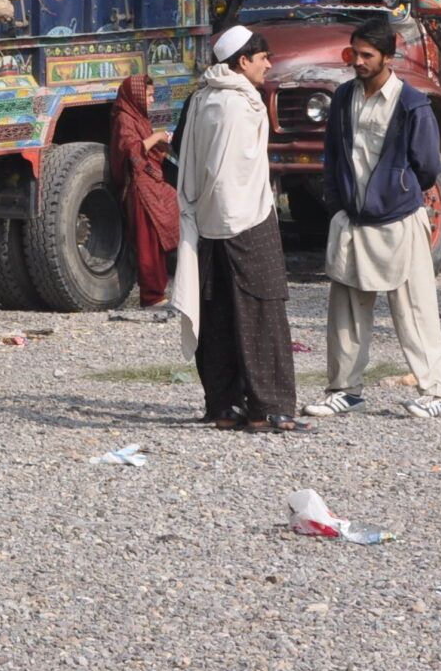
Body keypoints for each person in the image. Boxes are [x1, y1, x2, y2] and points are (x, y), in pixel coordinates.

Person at [304, 16, 441, 420]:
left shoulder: (412, 104)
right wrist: (338, 204)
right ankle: (344, 389)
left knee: (415, 310)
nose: (358, 61)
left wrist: (397, 190)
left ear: (388, 57)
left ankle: (435, 390)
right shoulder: (342, 98)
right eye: (354, 53)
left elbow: (427, 166)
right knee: (347, 311)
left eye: (367, 55)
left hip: (399, 220)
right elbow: (333, 156)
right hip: (353, 220)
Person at [172, 27, 306, 431]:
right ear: (242, 61)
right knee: (263, 308)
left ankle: (225, 405)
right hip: (247, 215)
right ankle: (270, 409)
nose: (268, 64)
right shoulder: (240, 102)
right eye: (263, 57)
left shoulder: (201, 98)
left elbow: (180, 154)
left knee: (217, 310)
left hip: (207, 217)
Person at [109, 76, 179, 311]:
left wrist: (161, 144)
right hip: (139, 186)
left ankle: (160, 292)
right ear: (136, 96)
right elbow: (131, 152)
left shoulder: (139, 117)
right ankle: (152, 297)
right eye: (148, 96)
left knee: (163, 231)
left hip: (152, 182)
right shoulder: (124, 119)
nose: (150, 100)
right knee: (148, 241)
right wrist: (156, 137)